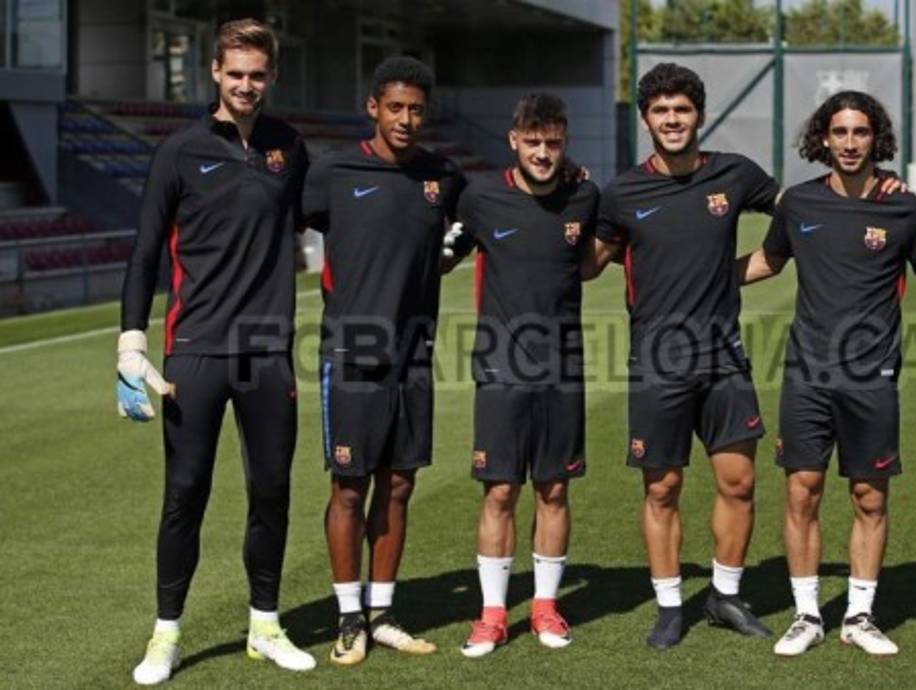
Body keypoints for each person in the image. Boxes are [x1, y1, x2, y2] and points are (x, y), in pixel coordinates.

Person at [118, 18, 314, 684]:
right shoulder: (179, 151)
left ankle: (266, 625)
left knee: (272, 491)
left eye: (257, 75)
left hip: (268, 352)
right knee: (185, 493)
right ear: (214, 72)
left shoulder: (290, 148)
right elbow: (146, 250)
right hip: (195, 351)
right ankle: (166, 635)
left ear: (271, 76)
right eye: (235, 74)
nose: (246, 86)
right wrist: (130, 339)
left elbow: (330, 213)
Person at [739, 91, 916, 658]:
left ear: (875, 138)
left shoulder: (904, 208)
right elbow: (767, 261)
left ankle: (859, 616)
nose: (849, 142)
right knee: (802, 491)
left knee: (869, 496)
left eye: (860, 132)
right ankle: (807, 615)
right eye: (839, 132)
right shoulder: (800, 204)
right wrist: (695, 274)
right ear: (824, 138)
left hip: (871, 376)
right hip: (807, 374)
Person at [586, 62, 778, 650]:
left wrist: (737, 272)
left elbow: (803, 214)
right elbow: (589, 262)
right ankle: (670, 606)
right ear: (646, 120)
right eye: (661, 111)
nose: (672, 120)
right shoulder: (622, 193)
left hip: (724, 359)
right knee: (662, 487)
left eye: (682, 110)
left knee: (739, 482)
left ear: (700, 115)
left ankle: (724, 595)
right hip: (657, 361)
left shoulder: (735, 175)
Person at [301, 56, 465, 666]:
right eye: (395, 107)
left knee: (399, 484)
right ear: (373, 107)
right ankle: (348, 617)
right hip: (352, 354)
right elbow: (276, 221)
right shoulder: (333, 172)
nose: (405, 119)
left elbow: (477, 221)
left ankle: (382, 612)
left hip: (415, 354)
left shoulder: (442, 176)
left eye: (416, 109)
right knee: (350, 487)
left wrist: (442, 259)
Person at [444, 92, 600, 658]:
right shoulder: (481, 198)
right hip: (500, 367)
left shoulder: (584, 196)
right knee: (501, 490)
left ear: (564, 143)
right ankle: (491, 615)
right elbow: (443, 254)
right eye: (532, 142)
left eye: (552, 143)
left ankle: (544, 607)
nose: (542, 152)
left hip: (563, 368)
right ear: (513, 140)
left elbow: (593, 260)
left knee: (554, 487)